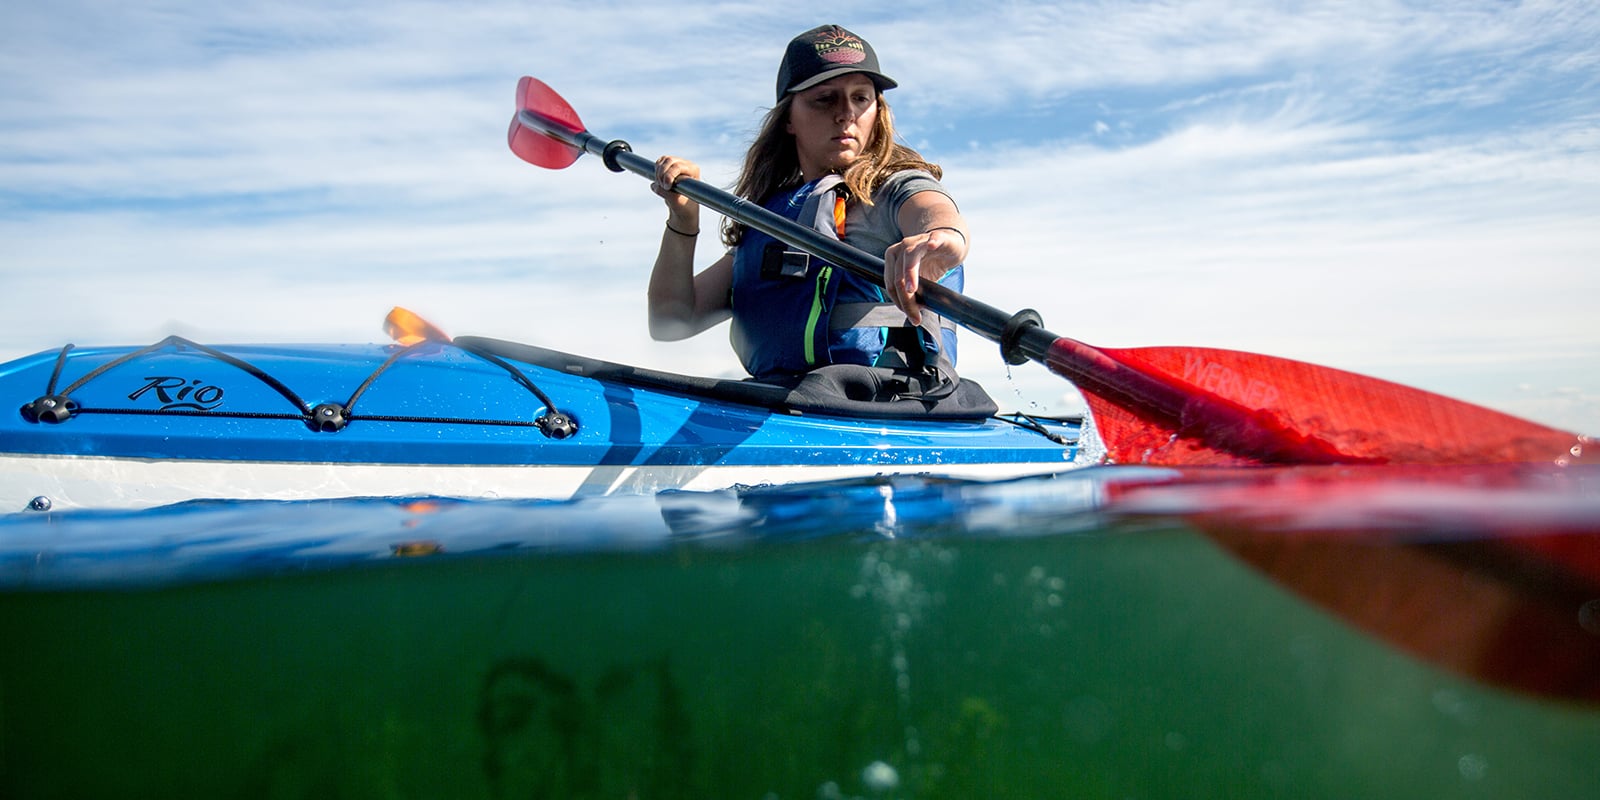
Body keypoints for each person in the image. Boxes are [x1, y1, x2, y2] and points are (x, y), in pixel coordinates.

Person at [646, 24, 971, 393]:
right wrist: (683, 219)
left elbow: (936, 213)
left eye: (861, 98)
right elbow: (671, 320)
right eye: (825, 99)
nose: (846, 113)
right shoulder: (772, 218)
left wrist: (940, 239)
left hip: (881, 403)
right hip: (786, 401)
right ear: (788, 118)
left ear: (877, 111)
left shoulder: (892, 187)